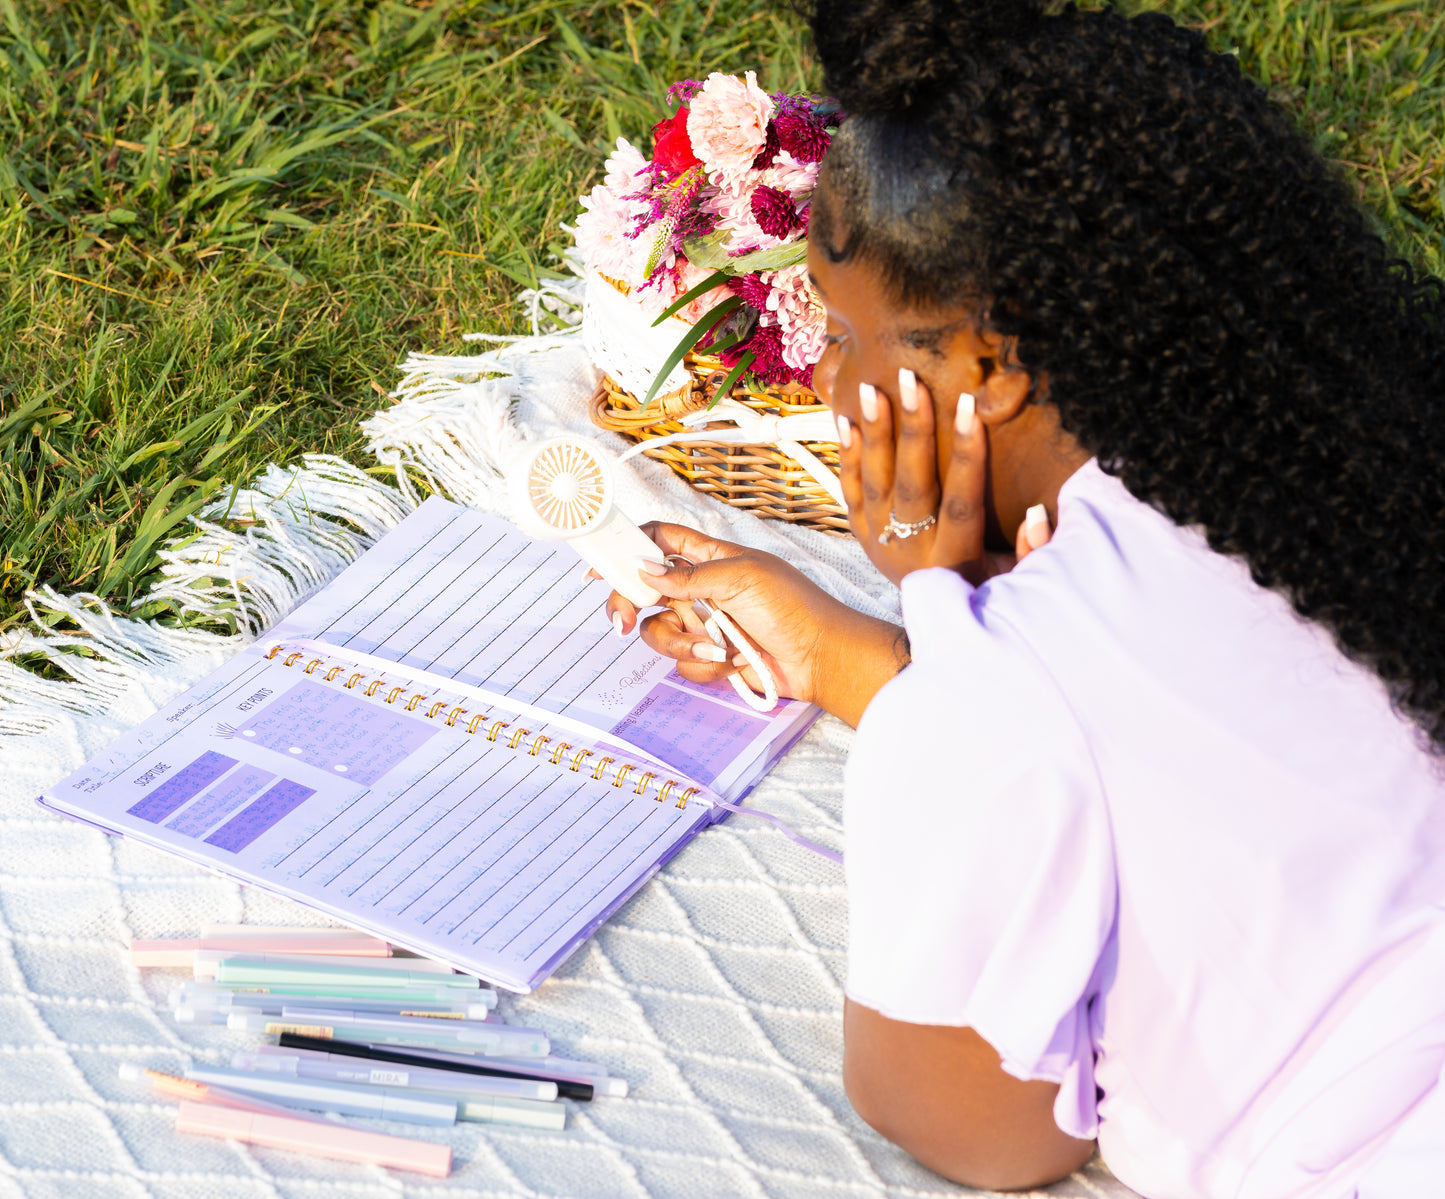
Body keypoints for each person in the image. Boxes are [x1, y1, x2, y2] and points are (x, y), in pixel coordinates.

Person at [605, 1, 1445, 1194]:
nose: (828, 379)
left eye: (842, 338)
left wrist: (938, 618)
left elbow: (985, 1129)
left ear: (989, 364)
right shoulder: (1330, 476)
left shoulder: (992, 699)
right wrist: (884, 643)